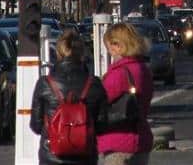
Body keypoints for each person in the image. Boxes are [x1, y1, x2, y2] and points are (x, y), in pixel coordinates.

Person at [30, 29, 107, 165]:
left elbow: (36, 125)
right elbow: (102, 126)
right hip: (85, 156)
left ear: (59, 53)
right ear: (81, 53)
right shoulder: (93, 84)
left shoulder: (45, 83)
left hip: (51, 156)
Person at [98, 23, 154, 165]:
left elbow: (99, 99)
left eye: (110, 47)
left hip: (118, 142)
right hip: (141, 139)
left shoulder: (119, 74)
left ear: (118, 45)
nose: (110, 52)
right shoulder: (143, 69)